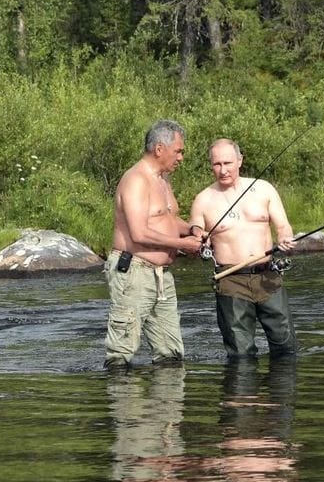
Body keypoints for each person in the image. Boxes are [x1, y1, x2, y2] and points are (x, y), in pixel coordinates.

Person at [104, 119, 204, 369]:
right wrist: (183, 245)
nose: (181, 157)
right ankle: (124, 405)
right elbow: (139, 232)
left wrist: (193, 230)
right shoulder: (136, 180)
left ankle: (167, 408)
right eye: (178, 150)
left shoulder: (163, 179)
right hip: (134, 272)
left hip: (161, 276)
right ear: (159, 149)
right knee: (121, 353)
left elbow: (167, 220)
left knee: (171, 353)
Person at [189, 138, 298, 359]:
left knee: (286, 348)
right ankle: (241, 393)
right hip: (230, 281)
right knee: (241, 355)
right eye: (216, 164)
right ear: (211, 165)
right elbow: (196, 233)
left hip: (268, 276)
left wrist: (285, 237)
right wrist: (201, 239)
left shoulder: (264, 189)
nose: (223, 170)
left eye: (228, 163)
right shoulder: (203, 200)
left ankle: (282, 394)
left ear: (240, 160)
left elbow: (283, 225)